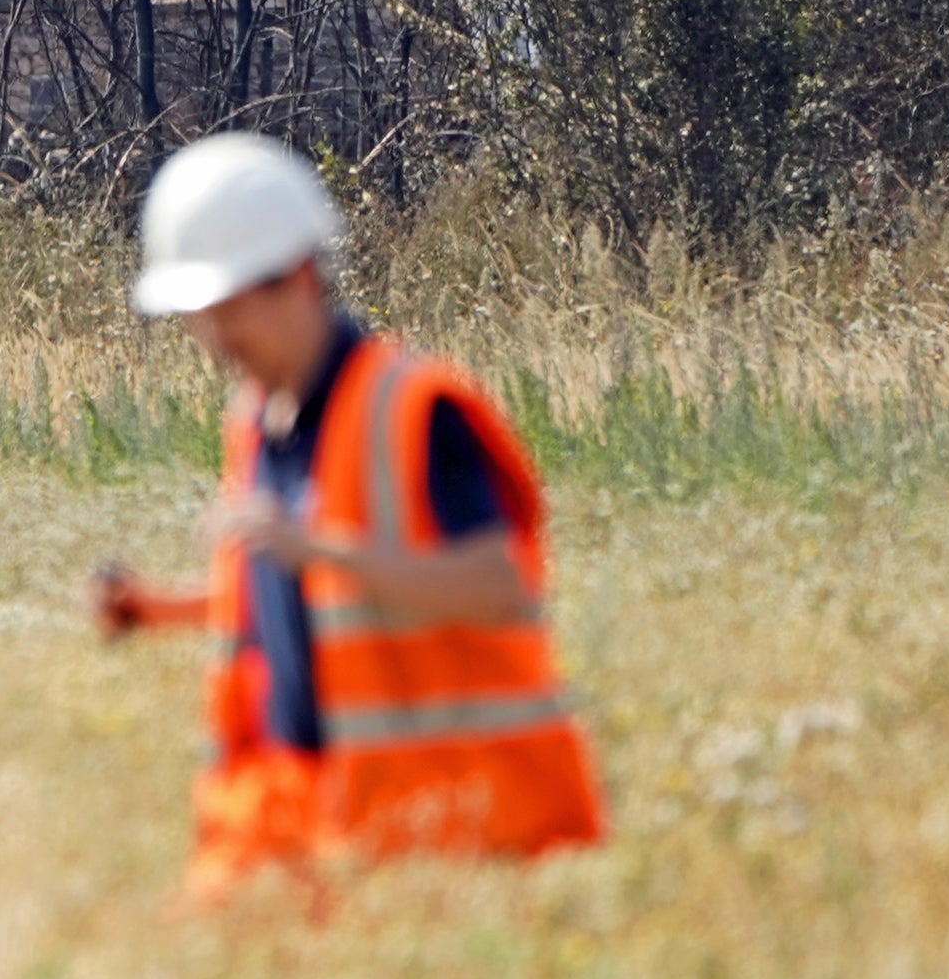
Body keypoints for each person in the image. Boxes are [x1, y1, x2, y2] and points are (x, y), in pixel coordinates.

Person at [89, 133, 605, 898]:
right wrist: (152, 609)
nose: (216, 339)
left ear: (298, 277)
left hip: (453, 831)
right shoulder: (257, 422)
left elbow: (502, 587)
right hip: (312, 821)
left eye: (229, 309)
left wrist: (323, 551)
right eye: (199, 316)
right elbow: (295, 602)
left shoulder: (414, 410)